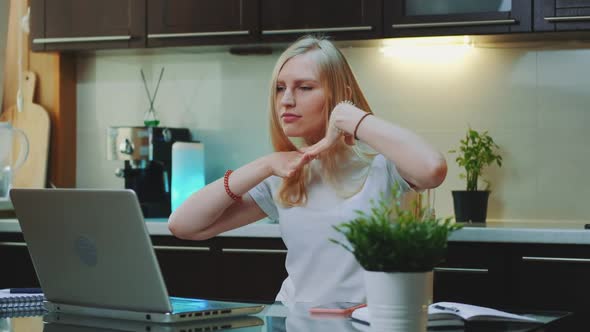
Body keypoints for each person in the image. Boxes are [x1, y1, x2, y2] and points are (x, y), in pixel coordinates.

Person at [168, 35, 447, 306]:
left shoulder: (383, 165)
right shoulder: (284, 176)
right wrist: (263, 164)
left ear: (340, 96)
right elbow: (183, 225)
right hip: (293, 320)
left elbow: (432, 169)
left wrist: (351, 116)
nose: (286, 100)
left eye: (304, 87)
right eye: (280, 88)